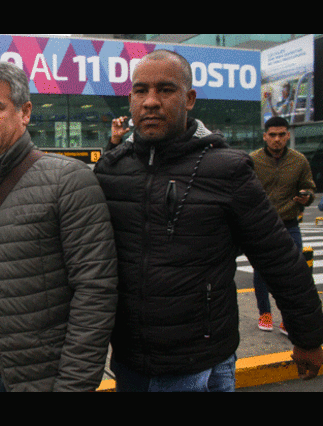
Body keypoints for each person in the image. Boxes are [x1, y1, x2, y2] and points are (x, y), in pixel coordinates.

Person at [93, 50, 323, 392]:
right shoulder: (111, 170)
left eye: (165, 90)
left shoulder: (227, 170)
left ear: (189, 99)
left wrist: (308, 336)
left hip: (202, 362)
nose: (151, 102)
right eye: (141, 91)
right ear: (130, 100)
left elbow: (277, 257)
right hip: (130, 361)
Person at [0, 61, 118, 392]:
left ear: (25, 112)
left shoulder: (69, 181)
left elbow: (95, 293)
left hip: (48, 382)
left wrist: (74, 386)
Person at [249, 116, 316, 333]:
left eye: (281, 135)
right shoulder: (253, 160)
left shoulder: (299, 161)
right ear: (265, 137)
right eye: (272, 135)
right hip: (262, 225)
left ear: (288, 135)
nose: (277, 139)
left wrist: (308, 197)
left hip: (289, 223)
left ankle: (287, 318)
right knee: (261, 271)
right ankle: (265, 313)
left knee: (294, 273)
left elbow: (309, 187)